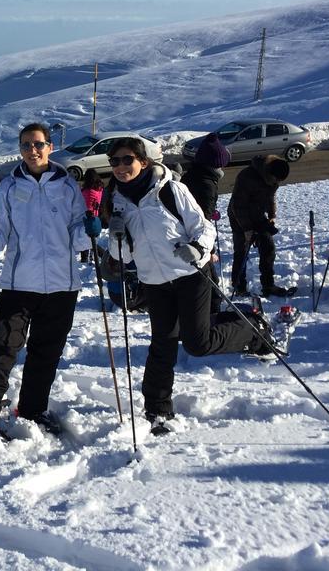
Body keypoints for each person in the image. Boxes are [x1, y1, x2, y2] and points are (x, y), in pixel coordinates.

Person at [105, 137, 273, 430]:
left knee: (198, 343)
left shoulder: (171, 189)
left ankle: (253, 329)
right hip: (154, 282)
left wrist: (199, 247)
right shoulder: (117, 201)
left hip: (191, 275)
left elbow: (202, 226)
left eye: (127, 159)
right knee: (163, 343)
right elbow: (124, 256)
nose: (120, 167)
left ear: (143, 161)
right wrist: (116, 238)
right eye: (115, 162)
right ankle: (157, 409)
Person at [0, 123, 93, 443]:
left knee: (46, 352)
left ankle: (32, 410)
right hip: (20, 284)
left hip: (62, 285)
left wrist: (90, 230)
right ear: (20, 149)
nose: (33, 151)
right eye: (26, 145)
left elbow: (78, 236)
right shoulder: (9, 186)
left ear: (50, 147)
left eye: (39, 144)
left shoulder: (67, 185)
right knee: (0, 347)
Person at [227, 154, 292, 298]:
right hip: (239, 217)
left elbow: (271, 196)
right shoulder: (247, 177)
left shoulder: (274, 178)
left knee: (268, 246)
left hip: (258, 214)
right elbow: (238, 206)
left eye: (278, 181)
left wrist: (272, 214)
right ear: (269, 173)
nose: (276, 182)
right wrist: (247, 229)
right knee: (242, 251)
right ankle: (239, 287)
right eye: (275, 179)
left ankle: (268, 284)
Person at [182, 133, 229, 311]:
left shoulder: (193, 175)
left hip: (188, 239)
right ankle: (211, 320)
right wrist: (209, 250)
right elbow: (203, 221)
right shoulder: (207, 184)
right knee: (211, 286)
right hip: (196, 242)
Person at [79, 169, 104, 262]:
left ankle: (86, 258)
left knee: (86, 238)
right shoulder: (99, 188)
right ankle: (88, 257)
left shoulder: (89, 191)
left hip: (88, 216)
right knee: (89, 238)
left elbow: (88, 205)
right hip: (95, 215)